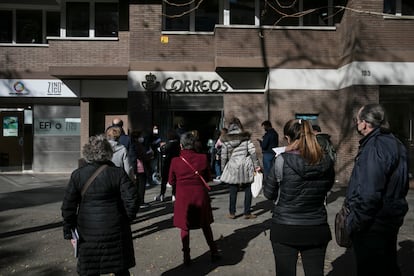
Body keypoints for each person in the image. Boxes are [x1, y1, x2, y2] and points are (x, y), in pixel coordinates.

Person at [263, 119, 335, 276]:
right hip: (316, 226)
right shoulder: (326, 160)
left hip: (285, 227)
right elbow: (327, 188)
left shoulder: (281, 160)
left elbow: (268, 193)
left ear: (288, 138)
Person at [61, 134, 138, 276]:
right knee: (119, 268)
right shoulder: (117, 173)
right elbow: (132, 198)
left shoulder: (78, 175)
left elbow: (68, 206)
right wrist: (126, 218)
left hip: (87, 229)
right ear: (108, 152)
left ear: (88, 153)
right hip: (115, 227)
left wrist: (69, 229)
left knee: (91, 268)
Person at [346, 104, 409, 276]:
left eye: (357, 120)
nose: (357, 124)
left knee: (372, 268)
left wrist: (355, 223)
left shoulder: (374, 147)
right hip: (390, 217)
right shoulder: (396, 143)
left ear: (364, 123)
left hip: (373, 223)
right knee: (387, 266)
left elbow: (368, 194)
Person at [168, 132, 220, 266]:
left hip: (183, 197)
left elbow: (171, 180)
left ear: (181, 145)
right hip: (199, 195)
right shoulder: (203, 158)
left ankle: (186, 256)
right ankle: (214, 251)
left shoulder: (175, 161)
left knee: (184, 226)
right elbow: (208, 177)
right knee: (205, 224)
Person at [220, 117, 261, 219]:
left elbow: (223, 155)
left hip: (233, 165)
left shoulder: (226, 139)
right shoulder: (245, 137)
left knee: (233, 190)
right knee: (248, 189)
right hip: (246, 165)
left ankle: (232, 213)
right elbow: (252, 152)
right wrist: (256, 166)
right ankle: (247, 212)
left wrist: (222, 168)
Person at [154, 129, 181, 202]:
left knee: (164, 180)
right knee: (174, 179)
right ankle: (174, 195)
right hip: (175, 164)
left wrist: (161, 147)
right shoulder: (178, 145)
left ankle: (162, 194)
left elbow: (161, 150)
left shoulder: (167, 145)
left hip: (167, 163)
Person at [131, 130, 151, 208]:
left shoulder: (133, 144)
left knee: (137, 186)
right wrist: (148, 154)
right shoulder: (138, 145)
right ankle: (141, 201)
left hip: (137, 167)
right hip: (140, 167)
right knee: (141, 186)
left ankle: (138, 201)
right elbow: (143, 155)